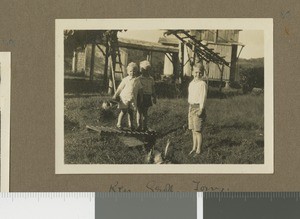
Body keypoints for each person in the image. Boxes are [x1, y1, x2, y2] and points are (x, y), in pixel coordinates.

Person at [112, 62, 143, 130]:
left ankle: (131, 125)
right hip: (124, 98)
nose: (132, 72)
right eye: (131, 71)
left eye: (134, 71)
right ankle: (119, 124)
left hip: (132, 98)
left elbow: (140, 90)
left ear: (137, 71)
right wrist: (115, 95)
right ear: (128, 72)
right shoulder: (125, 79)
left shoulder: (137, 80)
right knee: (124, 111)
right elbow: (120, 88)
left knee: (131, 112)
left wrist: (141, 97)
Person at [188, 65, 208, 156]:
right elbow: (190, 96)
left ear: (202, 73)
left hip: (198, 108)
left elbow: (203, 97)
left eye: (200, 72)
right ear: (192, 72)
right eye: (196, 72)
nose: (197, 74)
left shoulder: (202, 84)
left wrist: (201, 109)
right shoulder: (191, 83)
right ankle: (193, 147)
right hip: (191, 108)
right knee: (193, 130)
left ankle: (199, 150)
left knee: (198, 131)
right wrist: (189, 107)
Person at [136, 60, 157, 131]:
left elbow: (153, 88)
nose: (146, 71)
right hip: (140, 96)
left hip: (147, 96)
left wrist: (154, 97)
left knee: (145, 112)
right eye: (144, 70)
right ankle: (139, 125)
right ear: (141, 70)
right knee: (139, 111)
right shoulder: (139, 79)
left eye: (148, 70)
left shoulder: (151, 79)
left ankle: (145, 126)